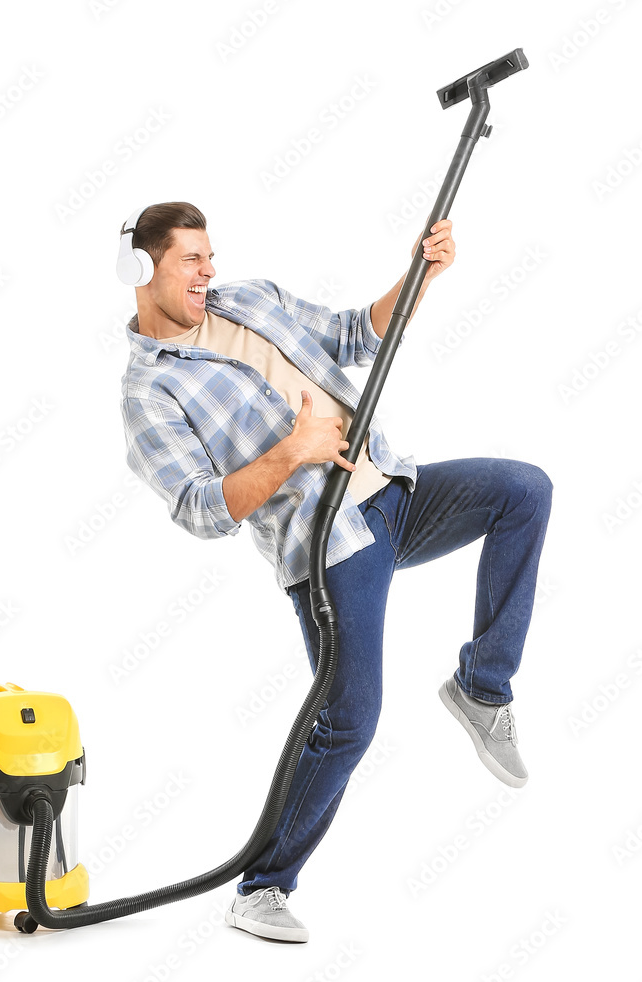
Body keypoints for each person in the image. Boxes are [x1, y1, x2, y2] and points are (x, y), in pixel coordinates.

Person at [119, 201, 553, 944]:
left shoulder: (249, 299)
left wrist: (421, 274)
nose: (208, 270)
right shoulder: (149, 393)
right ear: (142, 268)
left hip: (394, 495)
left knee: (523, 490)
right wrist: (293, 450)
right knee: (350, 720)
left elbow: (357, 333)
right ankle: (260, 890)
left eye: (209, 255)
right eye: (191, 258)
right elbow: (199, 510)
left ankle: (482, 687)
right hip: (329, 547)